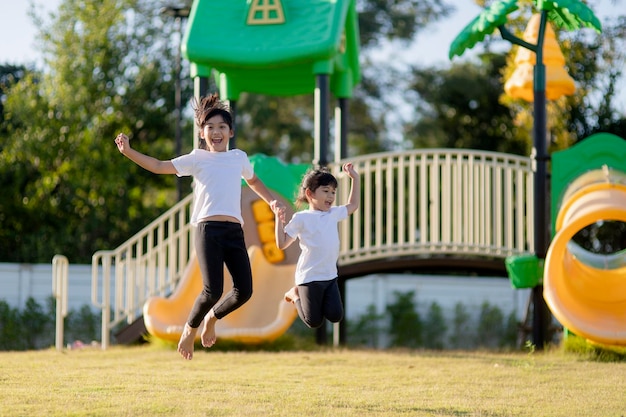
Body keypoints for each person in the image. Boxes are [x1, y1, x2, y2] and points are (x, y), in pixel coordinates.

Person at [115, 93, 282, 360]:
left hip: (234, 232)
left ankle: (212, 318)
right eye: (210, 127)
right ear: (202, 133)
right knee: (212, 289)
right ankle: (189, 329)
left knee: (245, 290)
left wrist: (273, 202)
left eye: (222, 127)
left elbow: (254, 182)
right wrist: (129, 152)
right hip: (208, 230)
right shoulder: (197, 158)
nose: (216, 132)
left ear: (231, 132)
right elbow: (159, 166)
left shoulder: (238, 157)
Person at [273, 163, 360, 329]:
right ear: (309, 193)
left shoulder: (333, 214)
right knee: (313, 321)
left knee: (335, 315)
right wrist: (278, 219)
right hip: (309, 277)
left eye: (333, 192)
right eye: (326, 191)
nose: (331, 196)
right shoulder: (301, 218)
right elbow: (282, 243)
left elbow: (353, 205)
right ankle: (294, 294)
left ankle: (301, 295)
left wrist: (355, 178)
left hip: (329, 275)